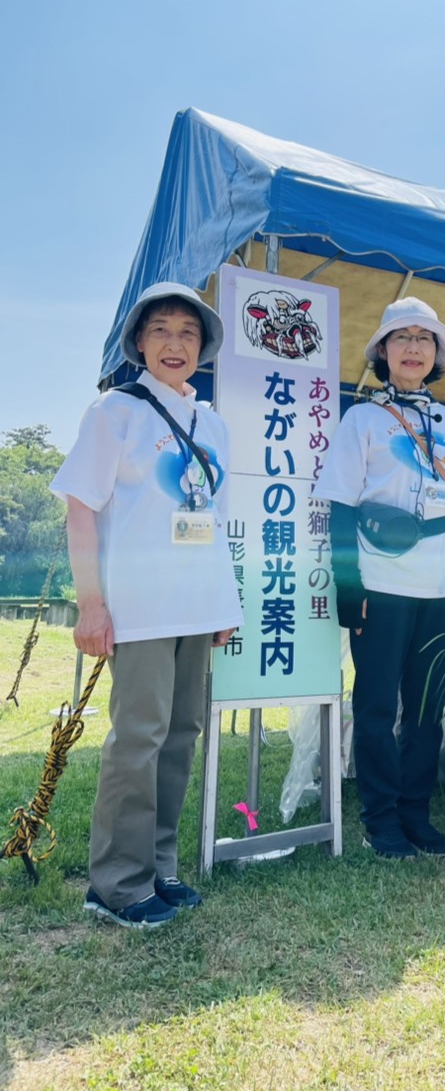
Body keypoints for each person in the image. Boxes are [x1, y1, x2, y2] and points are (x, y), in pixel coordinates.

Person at [51, 282, 242, 926]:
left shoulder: (210, 421)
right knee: (138, 738)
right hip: (139, 607)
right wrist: (91, 605)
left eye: (189, 333)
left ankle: (158, 868)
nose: (174, 343)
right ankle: (115, 884)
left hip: (197, 606)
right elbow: (81, 510)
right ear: (138, 342)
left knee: (180, 736)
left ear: (203, 348)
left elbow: (214, 520)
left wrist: (225, 604)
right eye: (161, 330)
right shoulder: (115, 412)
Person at [315, 297, 445, 858]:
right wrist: (347, 582)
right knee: (379, 707)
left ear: (436, 354)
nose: (413, 347)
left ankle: (417, 812)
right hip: (380, 582)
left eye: (424, 338)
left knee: (427, 709)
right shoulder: (360, 419)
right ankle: (380, 818)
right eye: (402, 337)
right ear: (382, 351)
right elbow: (338, 506)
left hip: (440, 585)